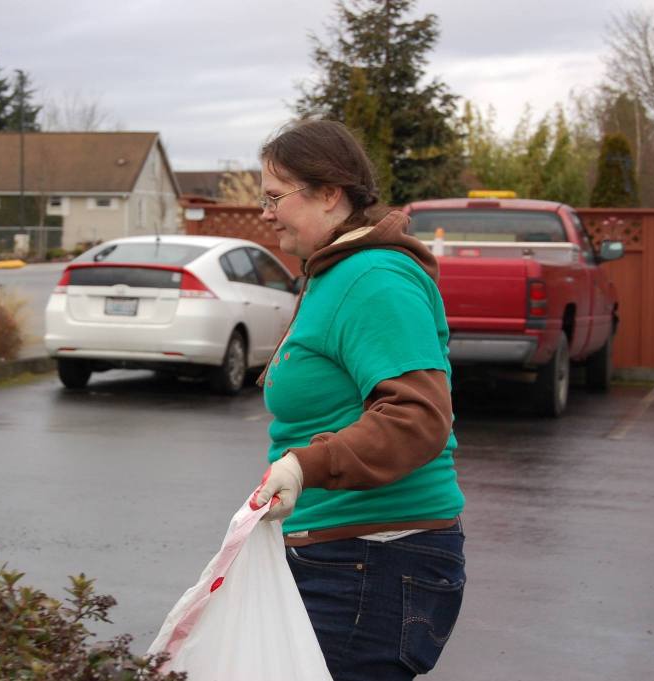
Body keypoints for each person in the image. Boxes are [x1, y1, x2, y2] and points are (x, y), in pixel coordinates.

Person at [249, 119, 466, 681]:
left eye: (276, 197)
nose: (265, 213)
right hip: (346, 558)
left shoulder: (372, 277)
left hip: (372, 561)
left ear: (329, 192)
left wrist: (304, 465)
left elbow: (418, 418)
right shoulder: (334, 272)